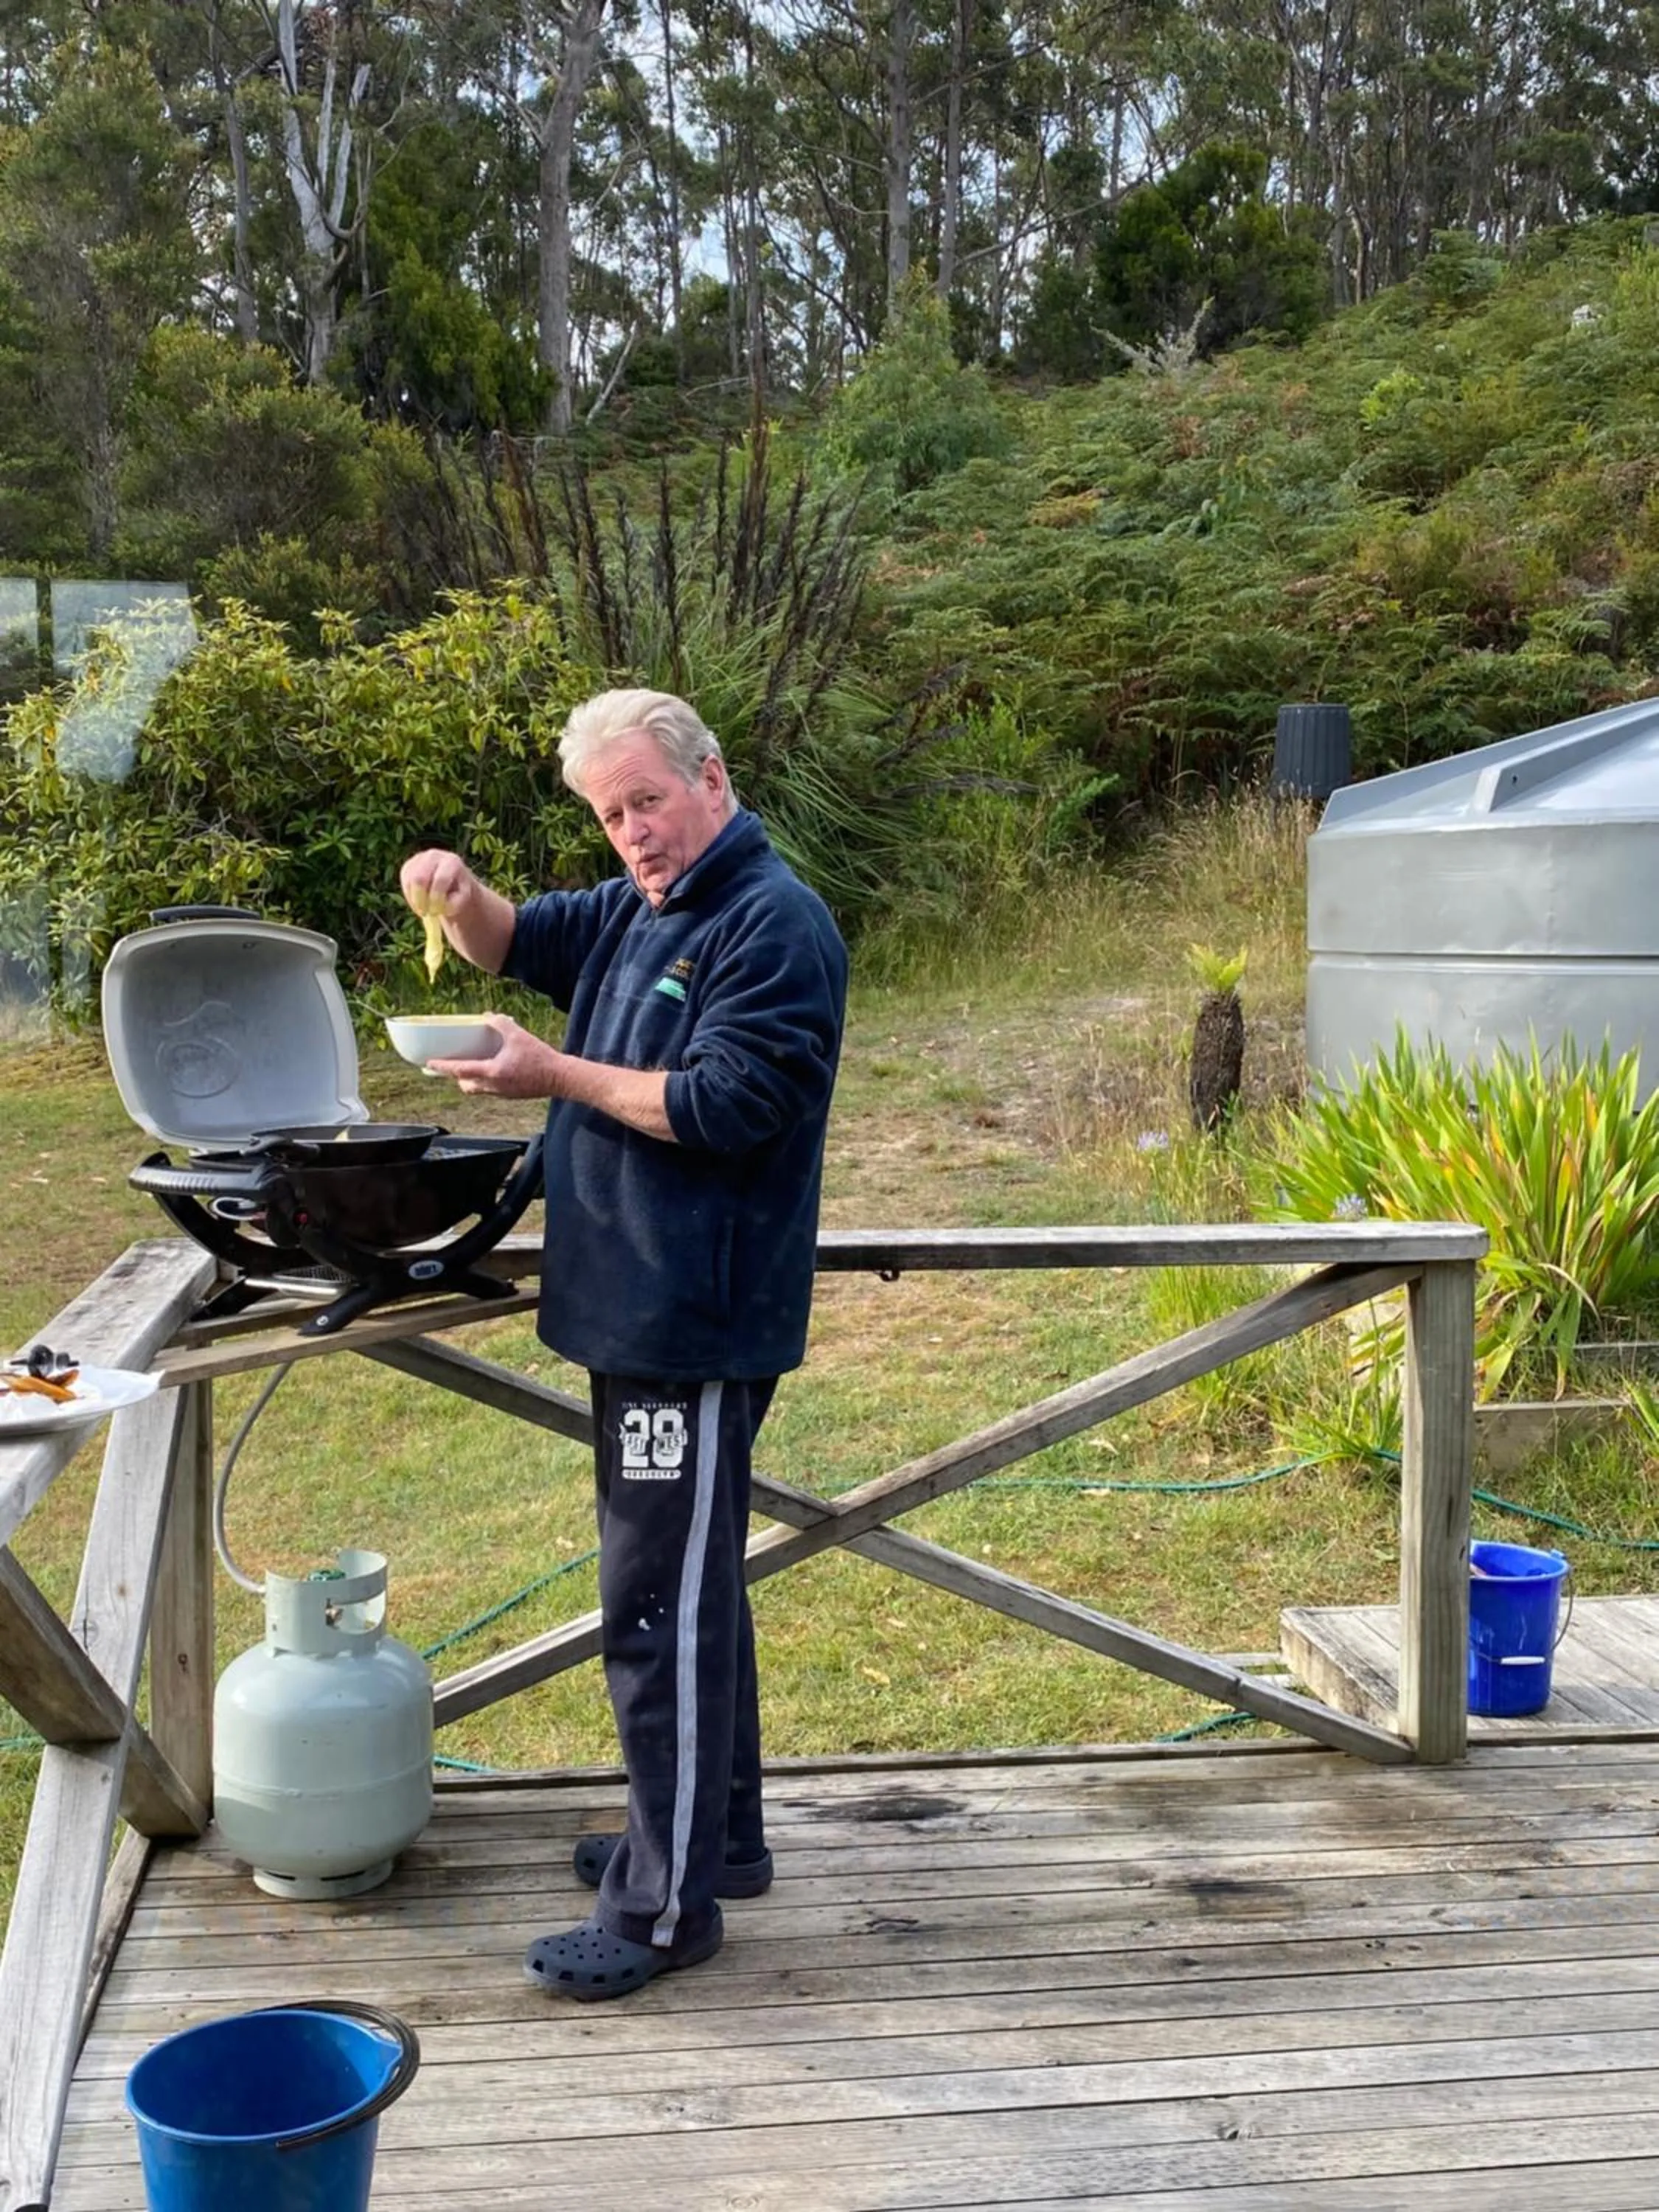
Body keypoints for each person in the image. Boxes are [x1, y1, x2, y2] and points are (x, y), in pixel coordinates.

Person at [399, 688, 848, 2000]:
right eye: (608, 813)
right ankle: (717, 1837)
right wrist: (458, 889)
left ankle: (663, 1911)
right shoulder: (641, 906)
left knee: (654, 1608)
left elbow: (723, 1105)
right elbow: (510, 943)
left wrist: (555, 1076)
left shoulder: (771, 923)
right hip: (634, 1312)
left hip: (691, 1323)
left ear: (711, 778)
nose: (631, 833)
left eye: (646, 800)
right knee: (691, 1586)